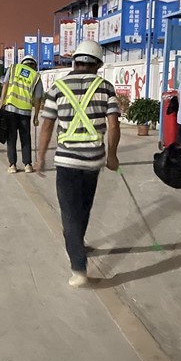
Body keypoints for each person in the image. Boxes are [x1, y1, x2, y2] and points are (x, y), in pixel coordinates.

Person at [34, 40, 120, 287]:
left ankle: (78, 268)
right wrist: (112, 156)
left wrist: (40, 157)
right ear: (98, 64)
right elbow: (114, 125)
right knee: (83, 207)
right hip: (93, 162)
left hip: (67, 162)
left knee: (69, 214)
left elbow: (47, 125)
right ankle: (78, 245)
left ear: (75, 62)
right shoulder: (106, 87)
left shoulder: (57, 88)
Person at [0, 54, 43, 174]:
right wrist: (36, 116)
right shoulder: (36, 76)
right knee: (25, 137)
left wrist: (2, 103)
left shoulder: (13, 68)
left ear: (23, 62)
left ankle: (12, 165)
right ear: (34, 65)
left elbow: (5, 85)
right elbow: (38, 98)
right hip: (25, 111)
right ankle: (28, 165)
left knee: (11, 137)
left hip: (10, 108)